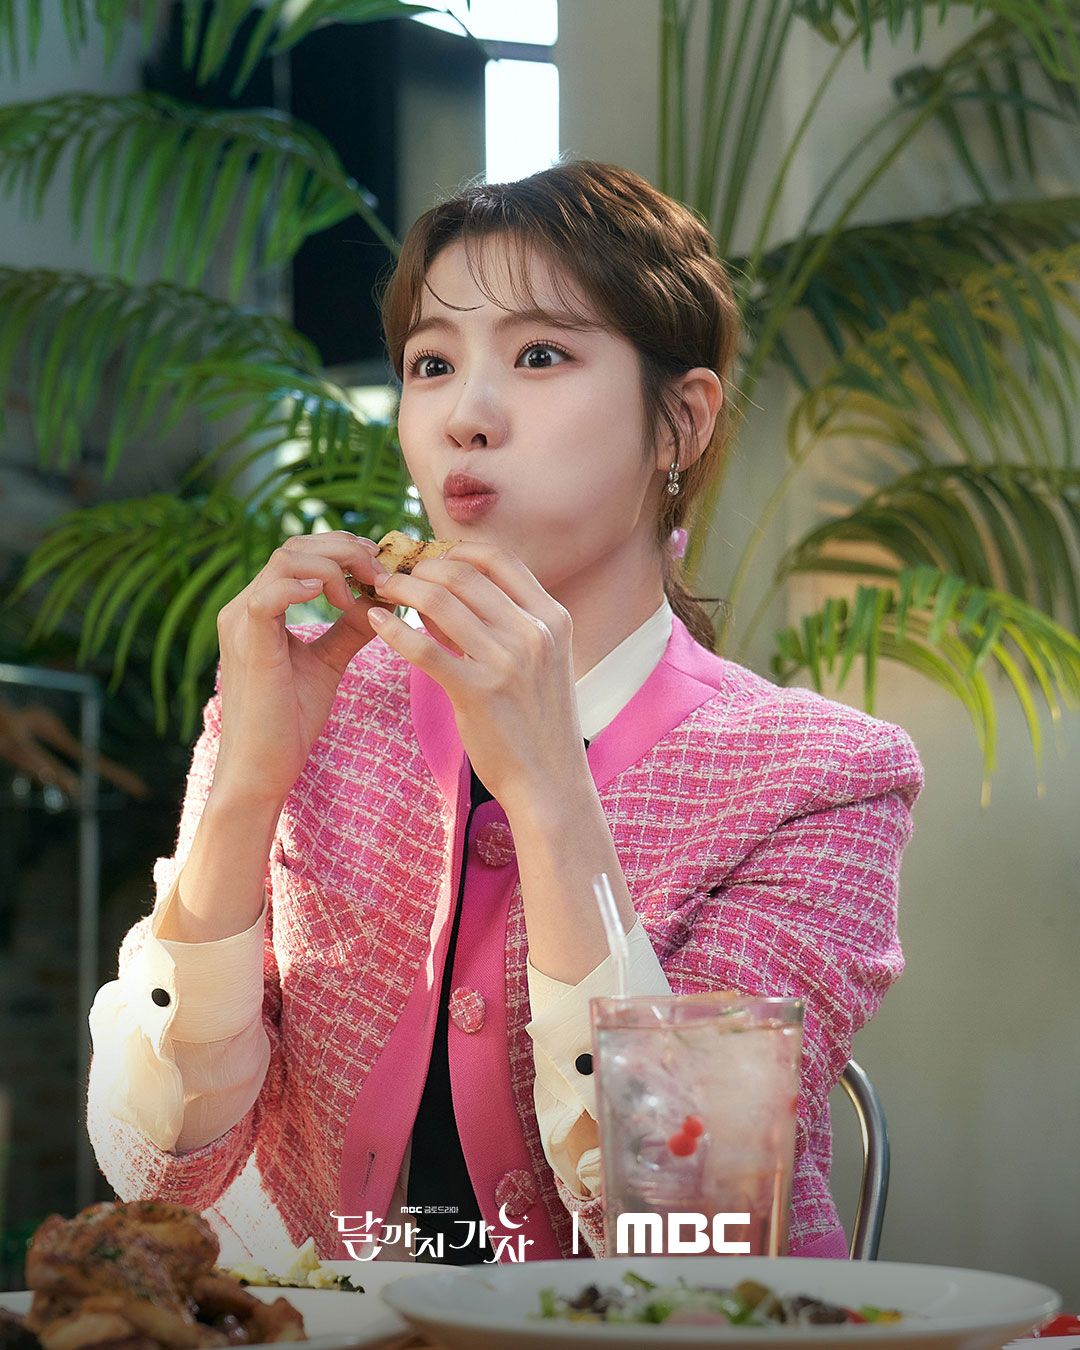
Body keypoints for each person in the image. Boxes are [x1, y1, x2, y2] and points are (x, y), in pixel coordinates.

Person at [87, 159, 923, 1265]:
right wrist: (248, 785)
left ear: (679, 423)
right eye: (432, 364)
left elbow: (691, 1223)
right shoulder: (310, 703)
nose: (465, 419)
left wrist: (548, 791)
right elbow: (157, 1164)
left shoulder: (822, 776)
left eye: (538, 356)